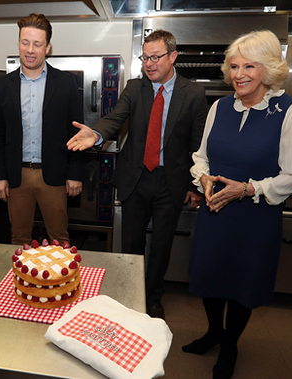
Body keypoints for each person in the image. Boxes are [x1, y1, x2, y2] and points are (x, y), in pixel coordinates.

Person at [182, 30, 292, 379]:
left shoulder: (291, 112)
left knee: (241, 284)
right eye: (234, 66)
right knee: (210, 277)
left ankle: (230, 344)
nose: (238, 75)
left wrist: (249, 188)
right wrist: (204, 178)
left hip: (255, 217)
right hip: (215, 211)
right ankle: (213, 332)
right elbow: (201, 156)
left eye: (249, 66)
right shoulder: (219, 107)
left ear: (267, 69)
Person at [67, 29, 208, 319]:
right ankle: (129, 294)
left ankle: (153, 298)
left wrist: (195, 185)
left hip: (172, 182)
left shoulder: (193, 94)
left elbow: (198, 143)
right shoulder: (134, 88)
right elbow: (114, 119)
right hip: (136, 179)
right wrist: (95, 133)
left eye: (156, 57)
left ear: (173, 57)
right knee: (131, 243)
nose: (149, 63)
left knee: (161, 245)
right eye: (145, 57)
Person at [0, 13, 83, 245]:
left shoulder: (66, 83)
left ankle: (61, 281)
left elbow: (78, 132)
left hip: (54, 176)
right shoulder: (2, 86)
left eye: (37, 44)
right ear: (19, 43)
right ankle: (23, 282)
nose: (30, 50)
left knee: (59, 239)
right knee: (19, 238)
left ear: (47, 47)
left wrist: (75, 174)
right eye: (25, 42)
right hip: (16, 177)